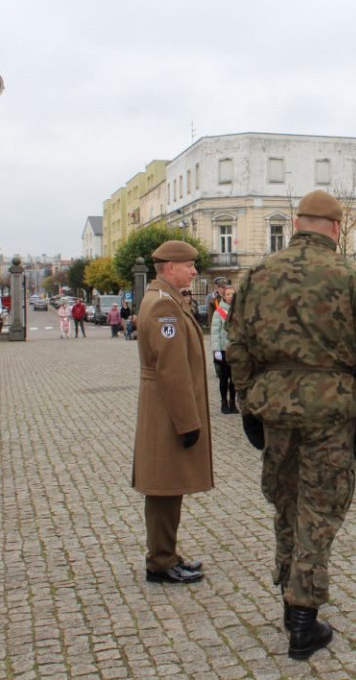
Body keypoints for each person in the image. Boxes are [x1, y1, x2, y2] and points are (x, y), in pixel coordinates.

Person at [226, 190, 356, 661]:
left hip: (275, 408)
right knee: (319, 508)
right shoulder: (352, 278)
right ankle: (303, 613)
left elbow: (236, 346)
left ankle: (288, 593)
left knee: (285, 500)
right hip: (332, 411)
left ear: (298, 223)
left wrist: (246, 404)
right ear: (337, 228)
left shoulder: (259, 274)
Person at [132, 240, 214, 585]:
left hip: (164, 408)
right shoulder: (164, 307)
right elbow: (172, 370)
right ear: (169, 267)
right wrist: (187, 421)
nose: (194, 271)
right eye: (189, 265)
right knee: (164, 487)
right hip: (167, 411)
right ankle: (161, 561)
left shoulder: (168, 300)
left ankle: (165, 553)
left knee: (169, 486)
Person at [210, 284, 238, 414]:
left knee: (234, 379)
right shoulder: (219, 311)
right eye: (228, 294)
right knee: (224, 378)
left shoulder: (239, 310)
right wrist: (216, 350)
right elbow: (215, 332)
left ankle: (233, 402)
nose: (230, 297)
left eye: (232, 294)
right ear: (224, 296)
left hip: (236, 350)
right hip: (223, 349)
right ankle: (224, 402)